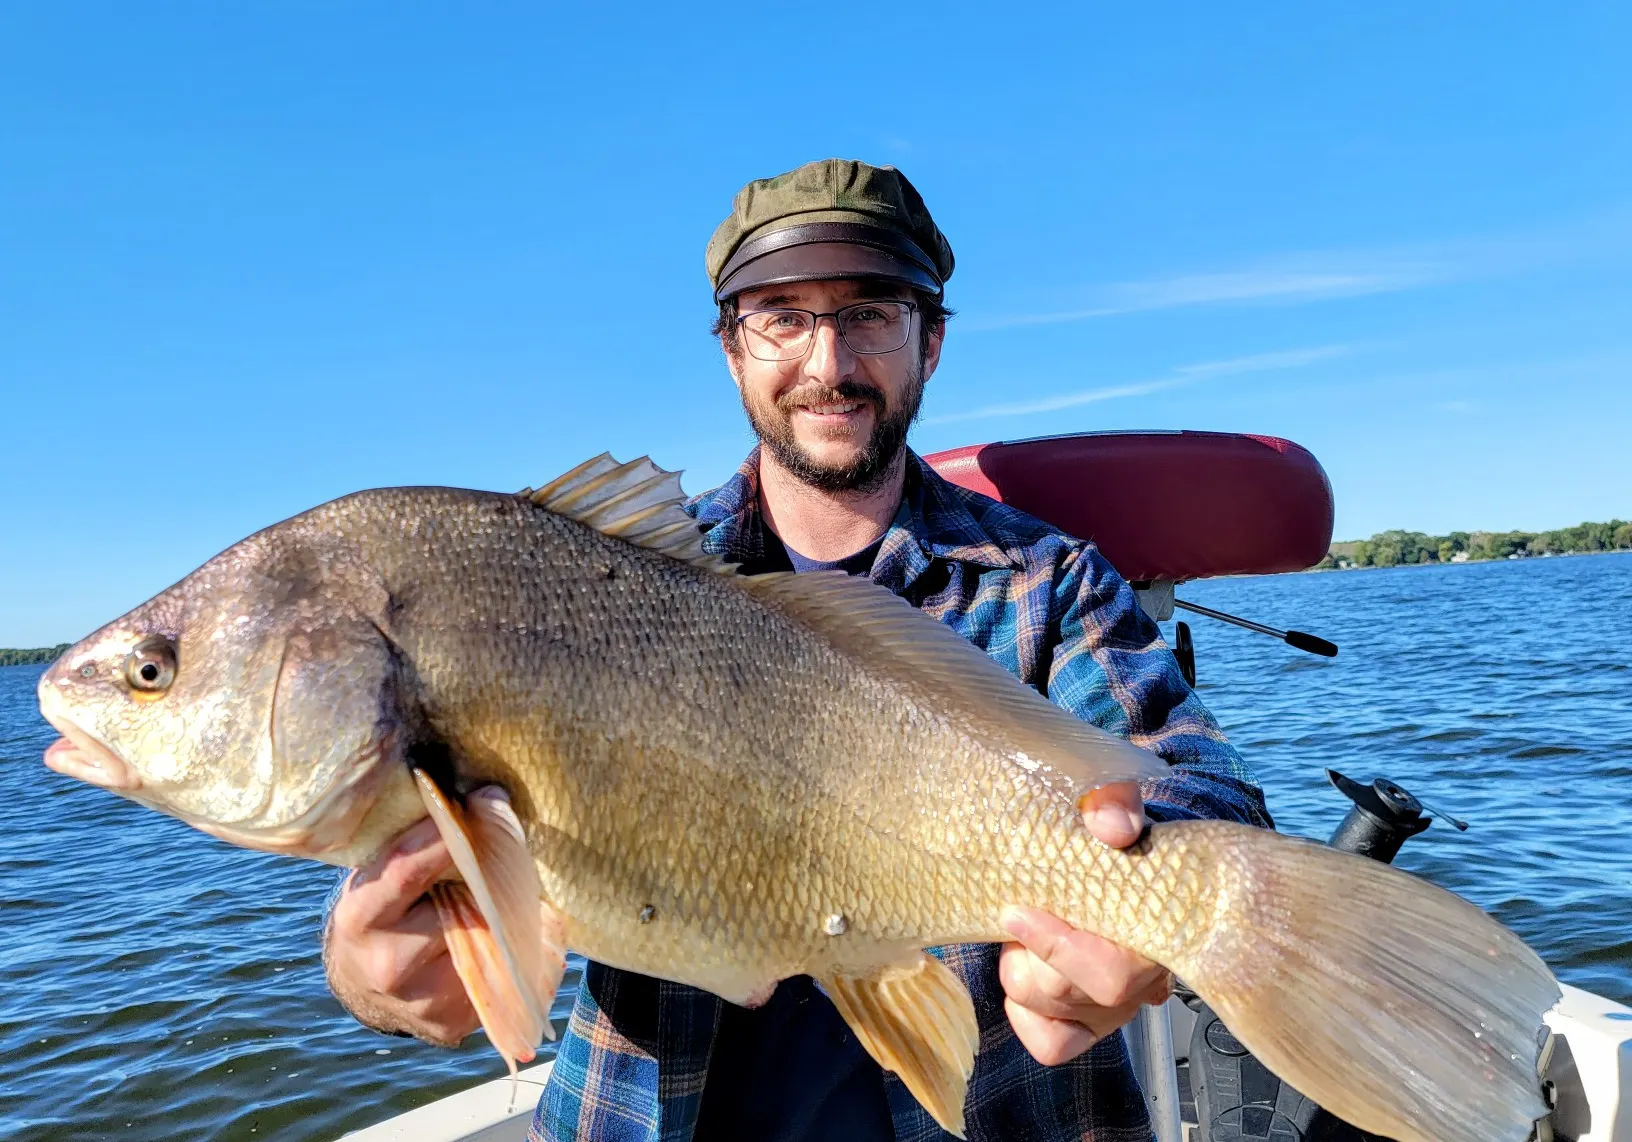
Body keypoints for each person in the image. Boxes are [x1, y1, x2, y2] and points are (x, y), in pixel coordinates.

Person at [323, 159, 1271, 1141]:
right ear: (731, 348)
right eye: (781, 314)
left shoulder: (1047, 578)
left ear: (931, 342)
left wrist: (1143, 900)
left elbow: (1202, 781)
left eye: (870, 312)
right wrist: (380, 974)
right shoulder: (599, 583)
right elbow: (443, 906)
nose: (828, 362)